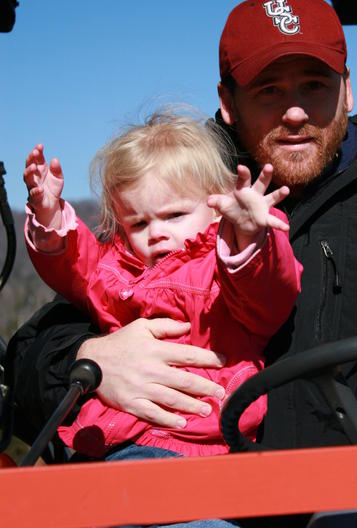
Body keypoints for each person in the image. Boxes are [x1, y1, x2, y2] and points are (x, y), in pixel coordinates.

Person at [9, 0, 357, 525]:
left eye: (315, 86)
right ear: (229, 102)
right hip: (205, 489)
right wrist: (90, 360)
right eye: (270, 90)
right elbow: (39, 343)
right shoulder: (178, 200)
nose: (295, 111)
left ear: (347, 91)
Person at [22, 111, 301, 469]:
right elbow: (76, 268)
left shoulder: (222, 267)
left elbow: (269, 292)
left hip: (200, 443)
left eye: (174, 216)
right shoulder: (122, 272)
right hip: (116, 441)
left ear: (217, 209)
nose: (156, 232)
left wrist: (249, 237)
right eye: (139, 222)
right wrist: (49, 221)